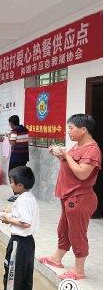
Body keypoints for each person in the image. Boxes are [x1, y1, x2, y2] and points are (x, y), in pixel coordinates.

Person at [39, 114, 101, 280]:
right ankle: (57, 258)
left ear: (83, 129)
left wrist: (65, 155)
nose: (68, 132)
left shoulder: (92, 150)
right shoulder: (77, 146)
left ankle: (78, 271)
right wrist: (60, 154)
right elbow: (71, 164)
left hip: (80, 197)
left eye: (71, 128)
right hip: (69, 195)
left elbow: (82, 173)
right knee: (64, 228)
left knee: (77, 233)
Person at [0, 166, 39, 290]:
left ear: (20, 185)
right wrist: (11, 216)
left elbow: (25, 222)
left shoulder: (22, 200)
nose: (10, 184)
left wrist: (7, 219)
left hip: (19, 243)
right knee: (25, 276)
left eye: (12, 182)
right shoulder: (29, 198)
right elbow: (25, 219)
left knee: (12, 276)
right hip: (29, 243)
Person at [7, 115, 30, 202]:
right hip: (24, 156)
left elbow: (12, 143)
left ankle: (16, 194)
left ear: (11, 123)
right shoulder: (25, 129)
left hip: (16, 156)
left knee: (12, 175)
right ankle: (22, 194)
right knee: (21, 175)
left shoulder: (14, 131)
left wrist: (9, 136)